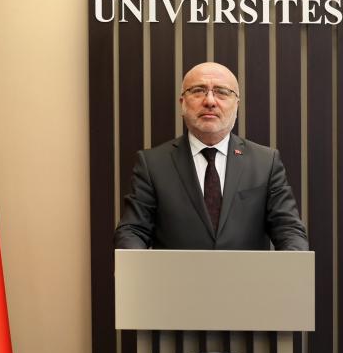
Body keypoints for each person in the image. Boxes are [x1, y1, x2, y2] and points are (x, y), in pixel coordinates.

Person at [114, 62, 308, 251]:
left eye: (222, 92)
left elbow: (288, 228)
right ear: (182, 103)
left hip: (246, 274)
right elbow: (133, 230)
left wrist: (294, 263)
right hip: (178, 274)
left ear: (236, 105)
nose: (210, 101)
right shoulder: (152, 164)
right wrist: (134, 264)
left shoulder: (266, 162)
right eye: (198, 91)